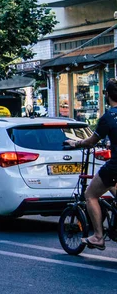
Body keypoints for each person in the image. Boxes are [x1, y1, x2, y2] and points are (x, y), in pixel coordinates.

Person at [64, 78, 117, 250]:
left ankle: (98, 237)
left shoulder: (108, 118)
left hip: (115, 166)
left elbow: (91, 141)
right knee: (109, 184)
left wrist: (76, 143)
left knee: (91, 195)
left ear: (107, 95)